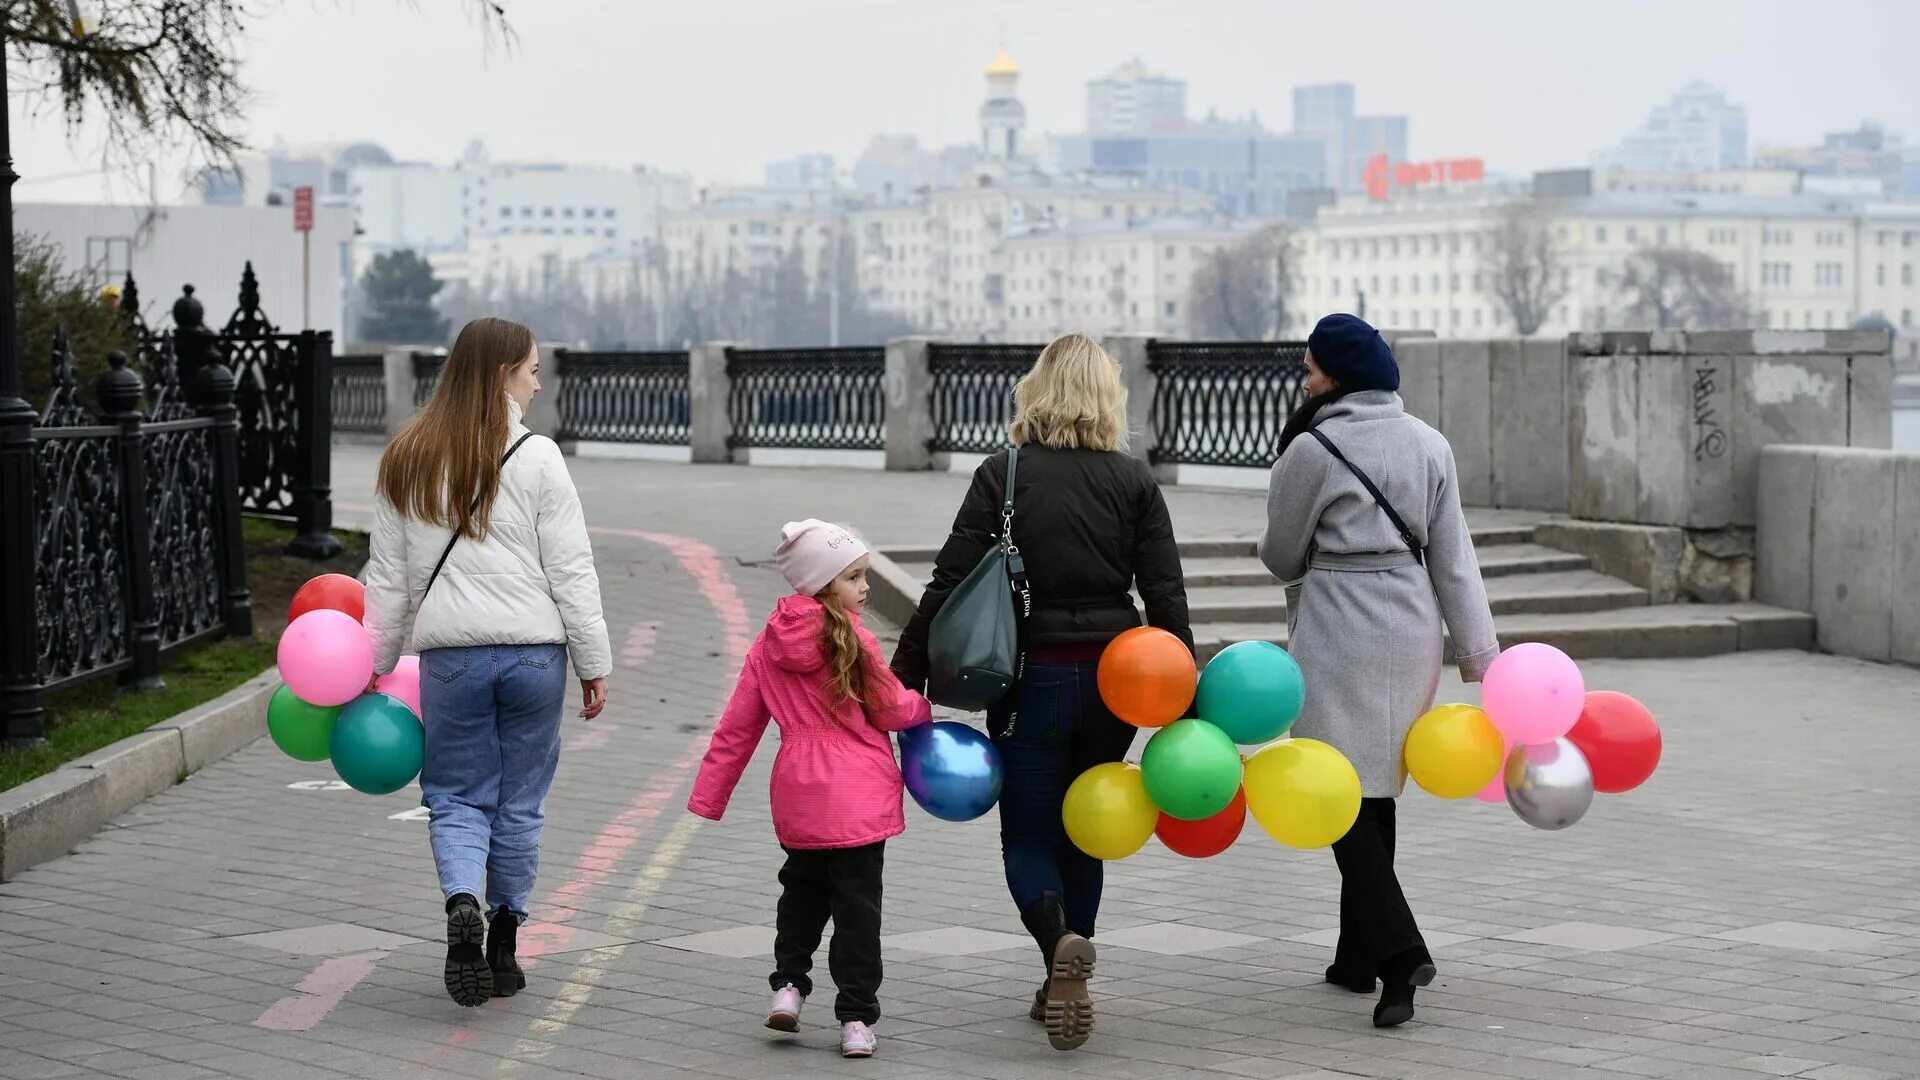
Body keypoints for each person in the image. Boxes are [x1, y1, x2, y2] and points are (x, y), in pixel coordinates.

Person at [890, 333, 1192, 1052]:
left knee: (1029, 833)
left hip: (1031, 680)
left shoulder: (1006, 473)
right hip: (1119, 684)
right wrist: (1186, 693)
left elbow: (949, 579)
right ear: (1107, 397)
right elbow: (1165, 595)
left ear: (1038, 389)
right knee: (1087, 826)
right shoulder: (1134, 482)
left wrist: (903, 671)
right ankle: (1066, 970)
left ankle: (1057, 942)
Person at [1257, 313, 1499, 1029]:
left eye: (1310, 369)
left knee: (1334, 789)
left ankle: (1399, 951)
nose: (1305, 381)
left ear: (1335, 376)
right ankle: (1356, 958)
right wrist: (1480, 655)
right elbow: (1454, 558)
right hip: (1412, 623)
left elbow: (1281, 556)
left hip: (1338, 623)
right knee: (1375, 786)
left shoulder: (1312, 448)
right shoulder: (1430, 443)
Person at [363, 316, 611, 1008]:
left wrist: (374, 667)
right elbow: (572, 571)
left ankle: (462, 901)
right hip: (535, 656)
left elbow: (385, 580)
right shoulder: (538, 457)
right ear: (502, 372)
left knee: (457, 795)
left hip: (450, 659)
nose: (538, 384)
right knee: (521, 800)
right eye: (532, 370)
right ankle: (503, 942)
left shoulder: (405, 456)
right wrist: (594, 661)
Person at [687, 519, 933, 1060]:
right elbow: (891, 710)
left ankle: (789, 988)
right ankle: (856, 1021)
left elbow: (738, 727)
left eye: (866, 575)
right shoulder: (856, 641)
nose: (865, 587)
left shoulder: (767, 643)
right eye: (854, 577)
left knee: (800, 894)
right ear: (824, 586)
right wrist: (924, 706)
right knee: (857, 911)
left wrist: (710, 795)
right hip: (858, 799)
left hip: (798, 794)